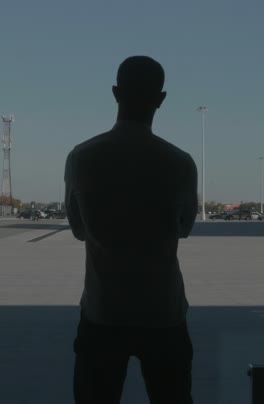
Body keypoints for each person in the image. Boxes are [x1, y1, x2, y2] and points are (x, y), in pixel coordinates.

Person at [64, 56, 198, 404]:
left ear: (115, 93)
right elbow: (184, 228)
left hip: (103, 311)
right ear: (161, 98)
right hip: (163, 312)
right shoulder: (180, 162)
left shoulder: (82, 157)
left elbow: (78, 229)